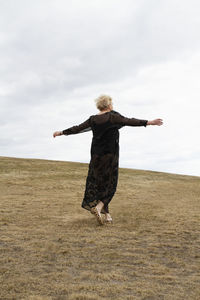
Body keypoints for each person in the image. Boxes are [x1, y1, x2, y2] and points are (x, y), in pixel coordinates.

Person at [53, 95, 163, 225]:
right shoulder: (113, 116)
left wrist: (61, 132)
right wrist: (149, 122)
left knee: (100, 184)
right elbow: (129, 121)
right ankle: (98, 208)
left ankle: (107, 214)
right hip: (109, 156)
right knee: (110, 184)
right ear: (109, 105)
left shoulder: (93, 119)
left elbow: (78, 128)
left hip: (95, 156)